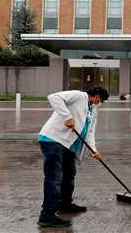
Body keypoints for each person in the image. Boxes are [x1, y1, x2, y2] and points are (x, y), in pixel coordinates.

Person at [37, 87, 109, 228]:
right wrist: (67, 117)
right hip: (54, 140)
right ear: (95, 96)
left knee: (69, 175)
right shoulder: (79, 96)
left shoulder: (93, 111)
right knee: (54, 179)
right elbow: (53, 97)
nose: (99, 103)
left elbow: (90, 132)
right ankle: (47, 216)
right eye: (100, 100)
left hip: (69, 146)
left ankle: (65, 204)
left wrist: (94, 150)